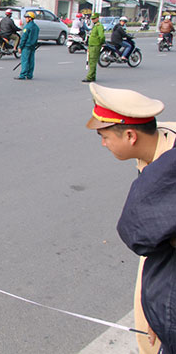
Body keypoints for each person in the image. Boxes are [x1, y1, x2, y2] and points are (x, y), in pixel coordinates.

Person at [85, 83, 176, 354]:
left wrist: (166, 316)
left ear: (130, 135)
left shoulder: (167, 170)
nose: (103, 144)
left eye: (105, 137)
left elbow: (138, 233)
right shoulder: (161, 140)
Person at [14, 11, 39, 80]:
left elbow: (24, 37)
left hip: (26, 46)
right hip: (33, 46)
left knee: (25, 61)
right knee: (31, 61)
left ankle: (23, 75)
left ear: (30, 18)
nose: (26, 19)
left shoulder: (27, 27)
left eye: (27, 18)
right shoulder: (36, 27)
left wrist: (20, 47)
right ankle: (29, 75)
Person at [83, 13, 105, 83]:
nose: (92, 20)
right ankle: (93, 76)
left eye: (94, 18)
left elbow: (102, 36)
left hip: (95, 45)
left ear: (97, 18)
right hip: (92, 45)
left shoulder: (99, 26)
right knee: (91, 61)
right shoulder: (95, 26)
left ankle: (89, 77)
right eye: (92, 19)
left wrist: (100, 43)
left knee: (92, 62)